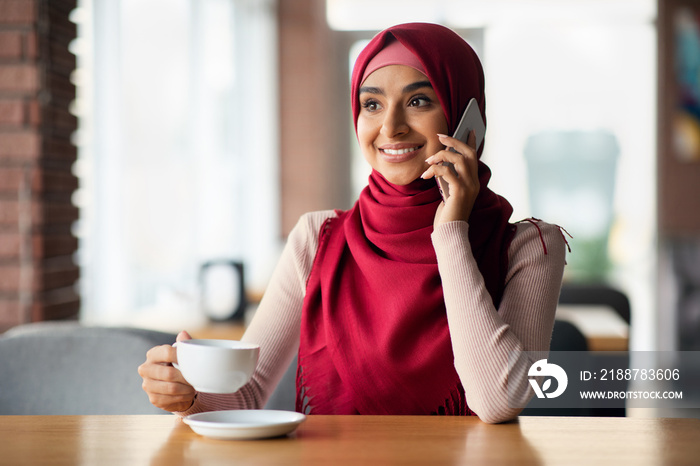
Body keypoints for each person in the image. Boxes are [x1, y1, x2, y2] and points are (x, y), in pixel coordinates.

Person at [138, 22, 566, 423]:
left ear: (465, 118)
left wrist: (450, 230)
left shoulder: (529, 246)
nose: (391, 128)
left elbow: (498, 400)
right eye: (372, 104)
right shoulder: (318, 238)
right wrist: (188, 395)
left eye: (419, 101)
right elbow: (245, 396)